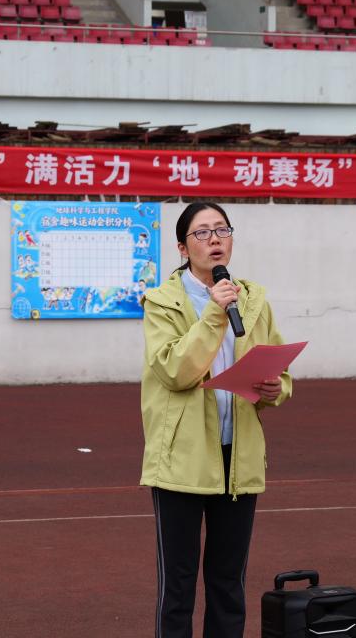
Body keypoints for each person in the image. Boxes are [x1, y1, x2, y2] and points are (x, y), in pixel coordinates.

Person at [140, 202, 294, 638]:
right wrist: (213, 312)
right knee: (178, 584)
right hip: (182, 459)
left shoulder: (253, 300)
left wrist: (275, 389)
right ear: (182, 248)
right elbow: (175, 371)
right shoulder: (162, 303)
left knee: (228, 582)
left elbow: (279, 371)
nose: (214, 240)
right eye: (202, 233)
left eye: (222, 230)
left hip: (237, 456)